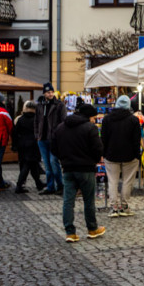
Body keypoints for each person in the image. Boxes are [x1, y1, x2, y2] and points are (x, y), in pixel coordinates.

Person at [51, 103, 106, 242]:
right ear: (88, 116)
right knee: (89, 200)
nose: (94, 121)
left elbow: (53, 148)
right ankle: (92, 229)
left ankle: (70, 232)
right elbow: (98, 149)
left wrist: (64, 159)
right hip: (86, 169)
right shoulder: (90, 128)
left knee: (68, 201)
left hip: (68, 169)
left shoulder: (61, 127)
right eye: (94, 118)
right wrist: (93, 160)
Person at [101, 95, 143, 217]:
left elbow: (103, 138)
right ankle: (124, 207)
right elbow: (136, 140)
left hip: (111, 154)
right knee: (127, 181)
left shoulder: (107, 119)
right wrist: (137, 155)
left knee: (112, 181)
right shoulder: (134, 120)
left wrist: (104, 153)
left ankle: (114, 208)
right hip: (130, 155)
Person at [35, 82, 66, 195]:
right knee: (47, 165)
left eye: (52, 92)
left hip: (54, 139)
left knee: (54, 162)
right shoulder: (40, 105)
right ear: (44, 93)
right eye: (48, 92)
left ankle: (60, 185)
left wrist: (59, 136)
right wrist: (37, 135)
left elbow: (63, 121)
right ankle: (50, 186)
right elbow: (36, 121)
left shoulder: (59, 105)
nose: (51, 94)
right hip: (42, 139)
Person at [12, 101, 46, 194]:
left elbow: (15, 133)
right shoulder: (37, 119)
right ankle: (19, 186)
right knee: (27, 165)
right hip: (33, 145)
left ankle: (38, 183)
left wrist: (14, 146)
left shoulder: (20, 119)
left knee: (32, 165)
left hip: (22, 145)